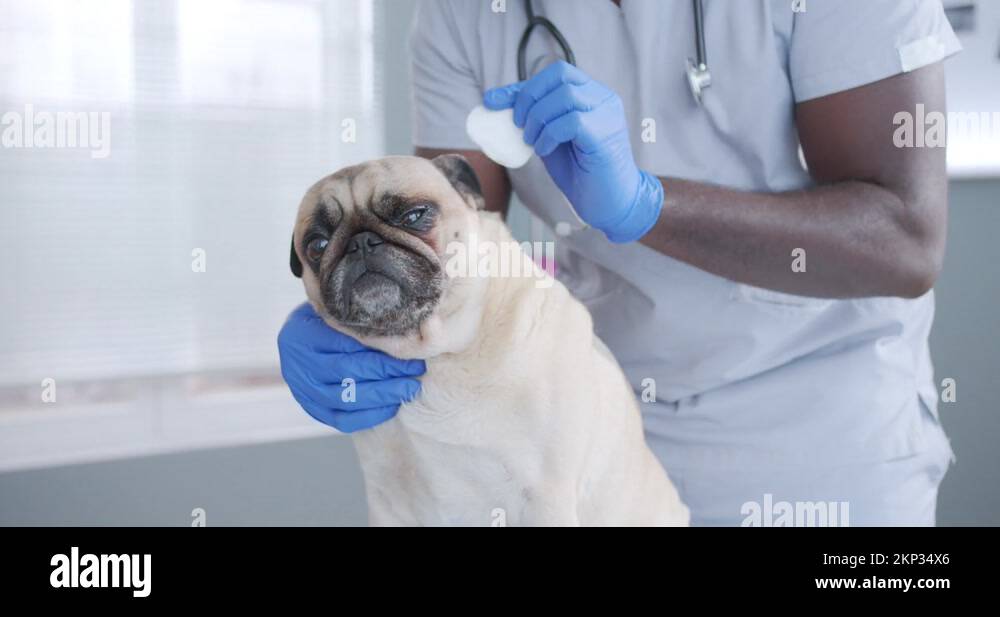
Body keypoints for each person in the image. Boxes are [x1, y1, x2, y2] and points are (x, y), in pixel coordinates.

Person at [279, 0, 961, 525]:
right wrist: (346, 310)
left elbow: (904, 239)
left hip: (826, 446)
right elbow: (446, 228)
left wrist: (647, 206)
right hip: (603, 453)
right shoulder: (463, 15)